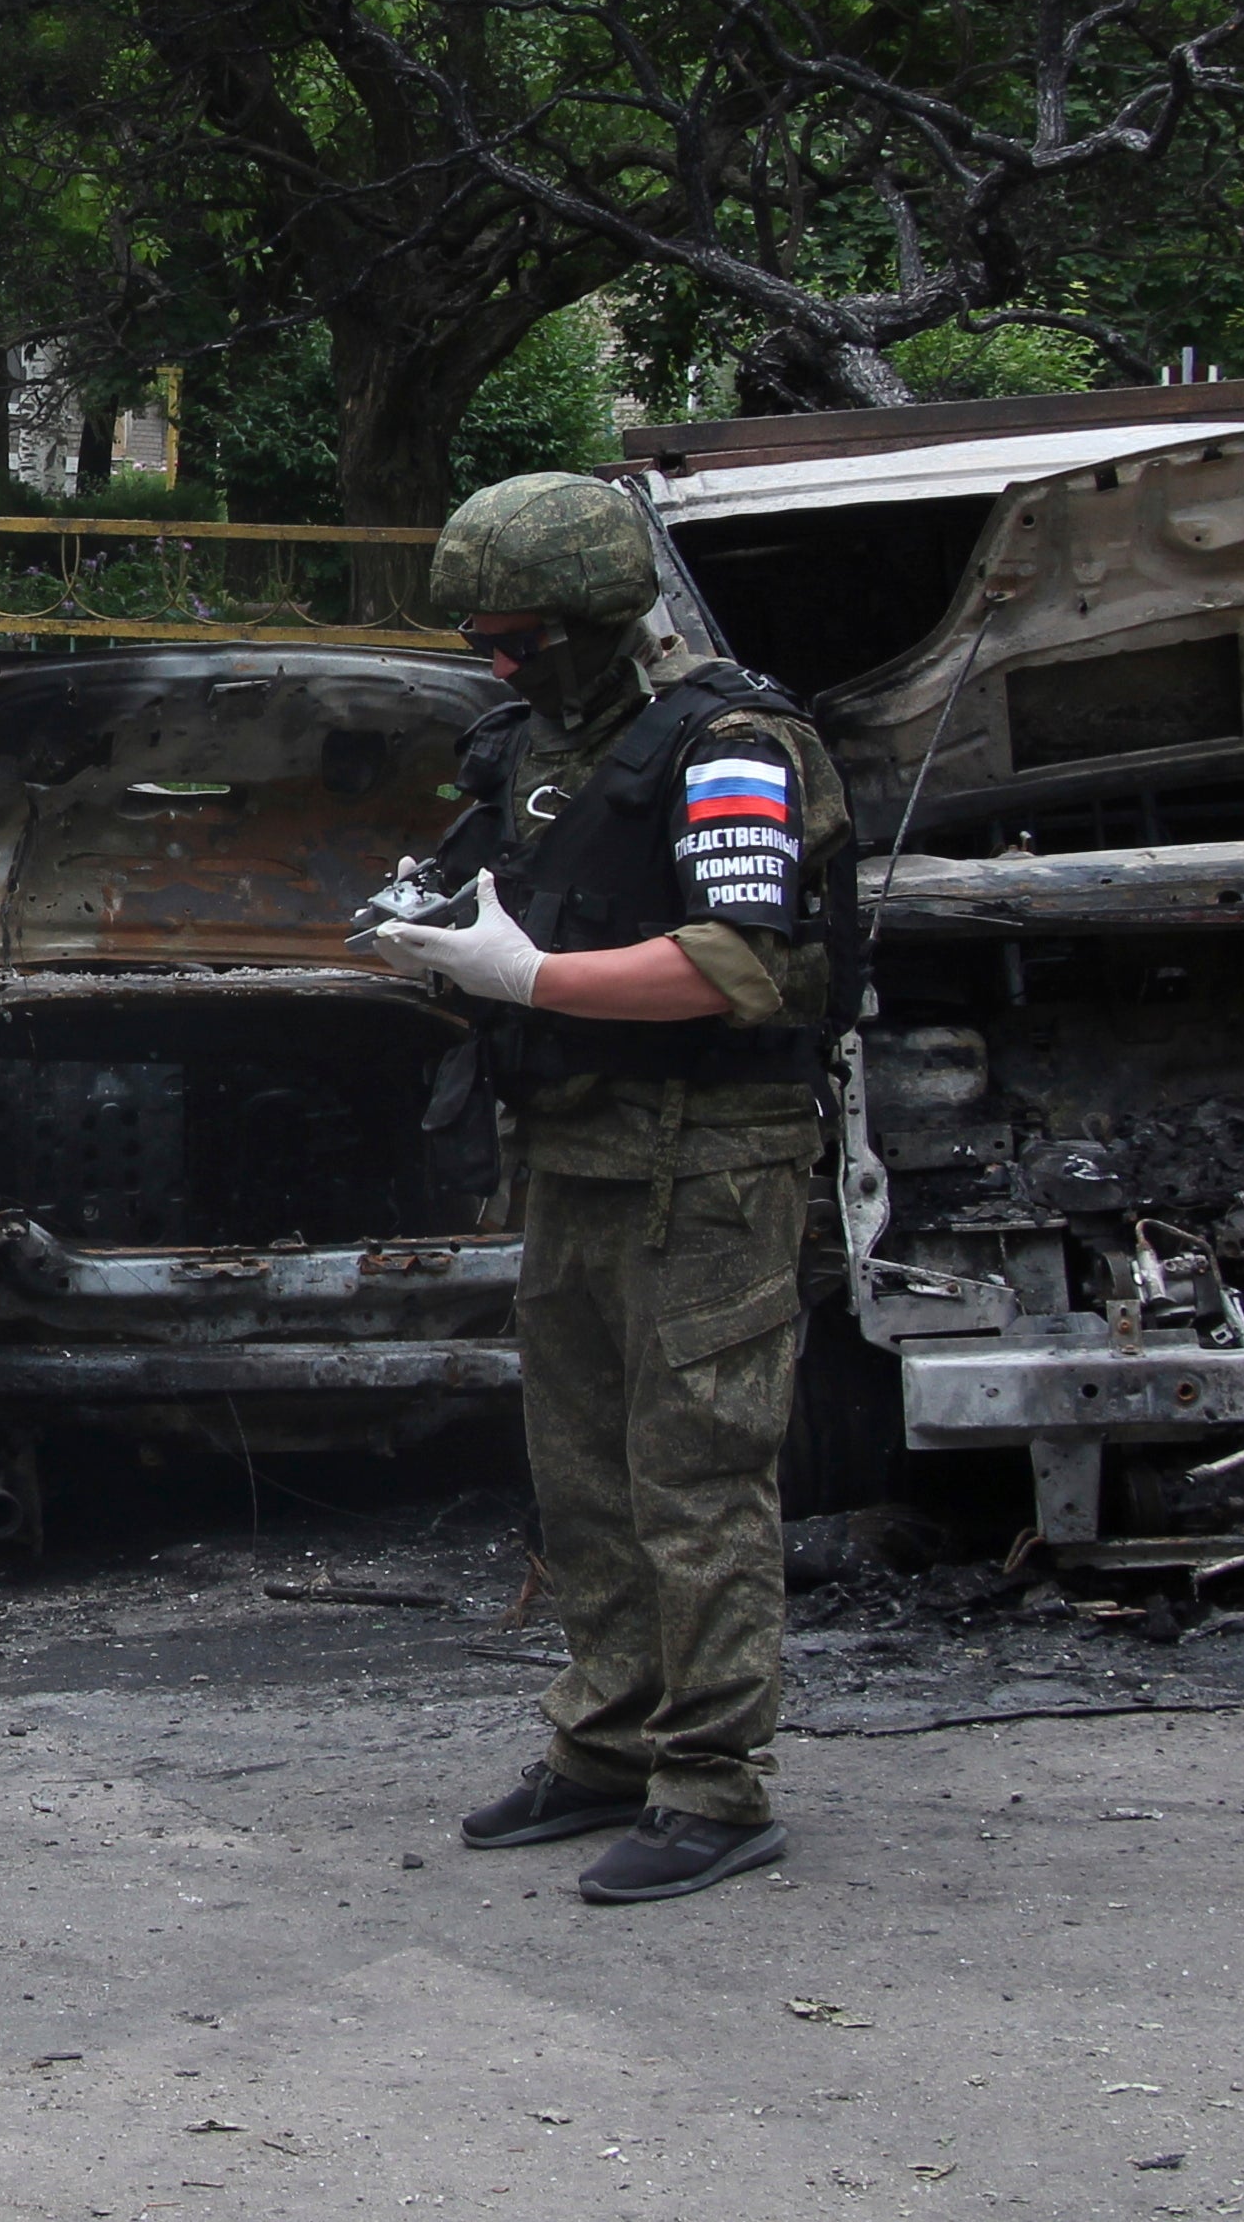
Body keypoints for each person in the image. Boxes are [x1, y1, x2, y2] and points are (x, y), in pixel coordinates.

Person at [354, 468, 854, 1905]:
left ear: (591, 618)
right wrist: (434, 932)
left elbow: (738, 964)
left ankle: (713, 1785)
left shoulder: (733, 747)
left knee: (696, 1475)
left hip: (709, 1160)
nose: (497, 665)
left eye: (517, 639)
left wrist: (528, 976)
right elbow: (507, 892)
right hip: (573, 1145)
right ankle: (610, 1737)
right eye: (481, 644)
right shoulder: (531, 746)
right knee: (580, 1471)